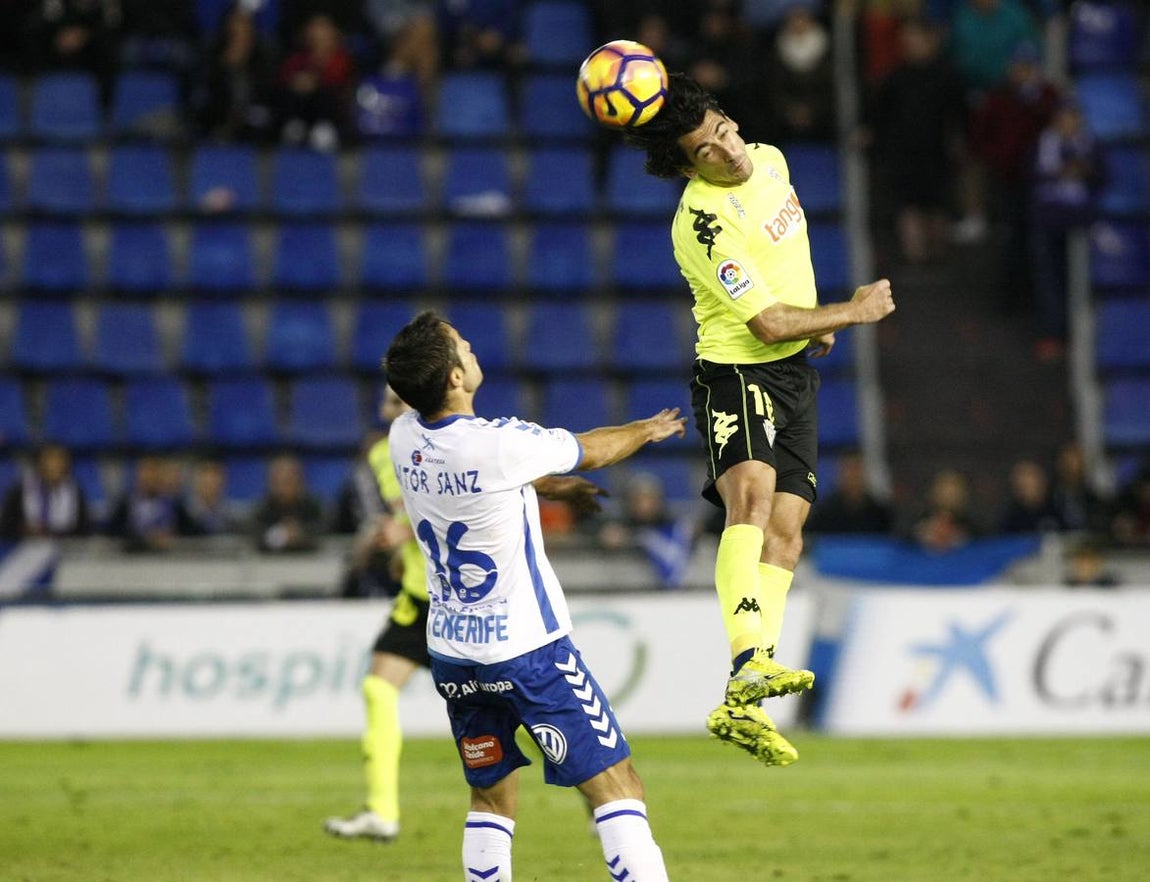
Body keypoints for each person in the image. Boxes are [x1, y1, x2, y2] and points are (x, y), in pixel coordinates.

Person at [622, 71, 896, 765]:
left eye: (724, 130)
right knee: (752, 495)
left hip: (794, 372)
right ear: (686, 167)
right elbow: (769, 323)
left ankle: (742, 698)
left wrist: (818, 323)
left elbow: (785, 271)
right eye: (706, 150)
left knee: (789, 532)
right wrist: (851, 311)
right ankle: (749, 658)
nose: (728, 151)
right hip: (736, 370)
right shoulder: (702, 223)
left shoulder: (770, 159)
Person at [382, 311, 681, 881]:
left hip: (453, 653)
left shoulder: (403, 439)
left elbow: (488, 473)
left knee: (491, 801)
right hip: (529, 651)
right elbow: (591, 448)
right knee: (618, 788)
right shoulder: (499, 443)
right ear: (453, 378)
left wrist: (557, 488)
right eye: (462, 347)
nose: (472, 349)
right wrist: (647, 428)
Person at [325, 384, 607, 843]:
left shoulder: (447, 444)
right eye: (385, 400)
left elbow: (468, 491)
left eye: (395, 401)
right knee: (378, 688)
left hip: (465, 606)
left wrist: (556, 486)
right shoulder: (389, 452)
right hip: (423, 600)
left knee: (532, 717)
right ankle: (382, 812)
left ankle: (599, 802)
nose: (384, 409)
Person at [0, 444, 90, 539]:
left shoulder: (75, 491)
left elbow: (82, 530)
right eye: (50, 459)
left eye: (61, 459)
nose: (57, 464)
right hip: (25, 545)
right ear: (39, 463)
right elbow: (6, 527)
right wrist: (22, 530)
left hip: (65, 547)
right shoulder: (20, 490)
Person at [105, 456, 189, 552]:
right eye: (146, 472)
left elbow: (191, 532)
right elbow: (111, 531)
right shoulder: (126, 503)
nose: (149, 477)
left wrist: (173, 533)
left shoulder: (173, 504)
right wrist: (144, 538)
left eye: (153, 472)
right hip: (132, 559)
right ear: (138, 476)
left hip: (168, 560)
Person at [250, 453, 325, 553]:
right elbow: (254, 536)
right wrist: (279, 535)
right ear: (270, 482)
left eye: (289, 480)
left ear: (300, 481)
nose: (283, 487)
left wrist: (299, 534)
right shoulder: (260, 509)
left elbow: (324, 532)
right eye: (278, 481)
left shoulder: (314, 507)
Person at [805, 450, 894, 534]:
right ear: (839, 474)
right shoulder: (824, 514)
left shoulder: (880, 514)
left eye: (857, 469)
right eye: (848, 470)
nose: (853, 476)